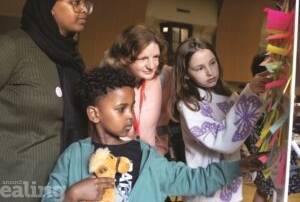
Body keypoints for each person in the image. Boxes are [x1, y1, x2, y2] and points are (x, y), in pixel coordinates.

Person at [42, 65, 266, 202]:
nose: (131, 115)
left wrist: (239, 167)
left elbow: (194, 179)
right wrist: (72, 196)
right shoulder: (73, 156)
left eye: (132, 106)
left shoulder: (148, 157)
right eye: (121, 109)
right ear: (94, 114)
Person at [0, 0, 93, 200]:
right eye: (75, 2)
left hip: (58, 188)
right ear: (49, 5)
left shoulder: (73, 61)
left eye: (86, 4)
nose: (83, 10)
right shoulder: (14, 47)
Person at [170, 38, 271, 202]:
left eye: (212, 63)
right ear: (186, 74)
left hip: (231, 188)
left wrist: (247, 163)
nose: (210, 72)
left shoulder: (229, 96)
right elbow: (223, 141)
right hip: (204, 191)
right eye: (200, 68)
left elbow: (238, 142)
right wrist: (251, 91)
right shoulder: (190, 105)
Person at [100, 23, 173, 155]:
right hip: (117, 160)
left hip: (149, 161)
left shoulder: (161, 76)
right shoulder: (106, 86)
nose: (152, 66)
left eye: (155, 57)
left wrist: (160, 151)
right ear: (124, 59)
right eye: (144, 58)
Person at [244, 52, 275, 202]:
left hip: (259, 147)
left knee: (264, 188)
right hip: (264, 147)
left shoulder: (253, 93)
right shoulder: (263, 93)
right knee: (270, 188)